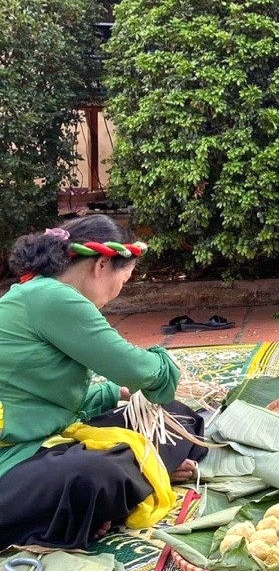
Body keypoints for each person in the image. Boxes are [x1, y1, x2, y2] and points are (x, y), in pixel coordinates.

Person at [0, 215, 205, 550]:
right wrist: (161, 370)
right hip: (9, 463)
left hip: (41, 442)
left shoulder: (41, 294)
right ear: (101, 265)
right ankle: (142, 477)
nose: (116, 294)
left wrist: (114, 393)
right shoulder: (52, 297)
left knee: (174, 415)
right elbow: (138, 369)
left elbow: (57, 403)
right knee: (94, 475)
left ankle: (125, 488)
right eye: (122, 281)